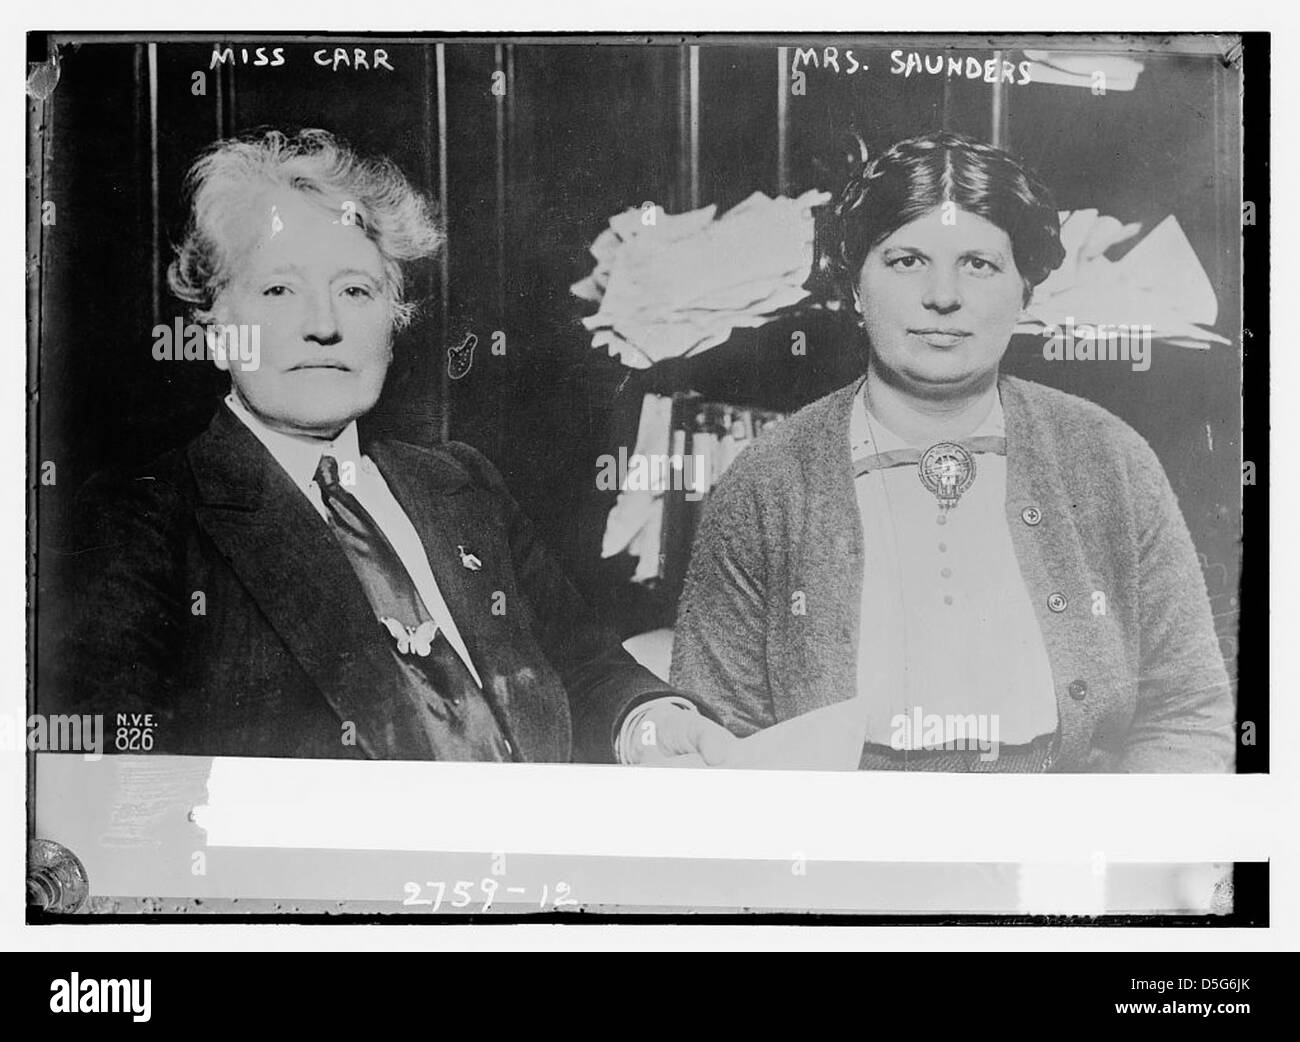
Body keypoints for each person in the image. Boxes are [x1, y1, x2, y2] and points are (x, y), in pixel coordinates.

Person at [54, 128, 731, 764]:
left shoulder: (461, 483)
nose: (324, 324)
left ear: (393, 318)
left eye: (355, 290)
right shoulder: (144, 522)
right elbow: (117, 780)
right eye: (279, 289)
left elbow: (582, 666)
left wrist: (650, 726)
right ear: (216, 329)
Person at [668, 131, 1234, 772]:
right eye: (906, 260)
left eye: (979, 264)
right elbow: (722, 744)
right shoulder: (766, 481)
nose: (943, 295)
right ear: (853, 286)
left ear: (1025, 291)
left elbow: (1187, 715)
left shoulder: (1111, 458)